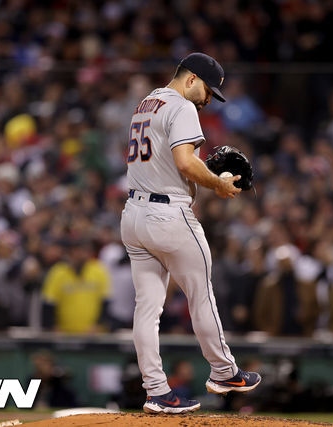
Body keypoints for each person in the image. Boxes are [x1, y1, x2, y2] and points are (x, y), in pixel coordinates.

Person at [120, 52, 261, 415]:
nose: (209, 99)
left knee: (147, 309)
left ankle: (156, 390)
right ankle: (225, 372)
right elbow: (183, 162)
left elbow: (170, 163)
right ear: (191, 79)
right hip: (168, 215)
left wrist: (201, 171)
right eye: (208, 90)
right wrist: (217, 183)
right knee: (202, 295)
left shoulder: (145, 103)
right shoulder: (182, 106)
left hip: (133, 214)